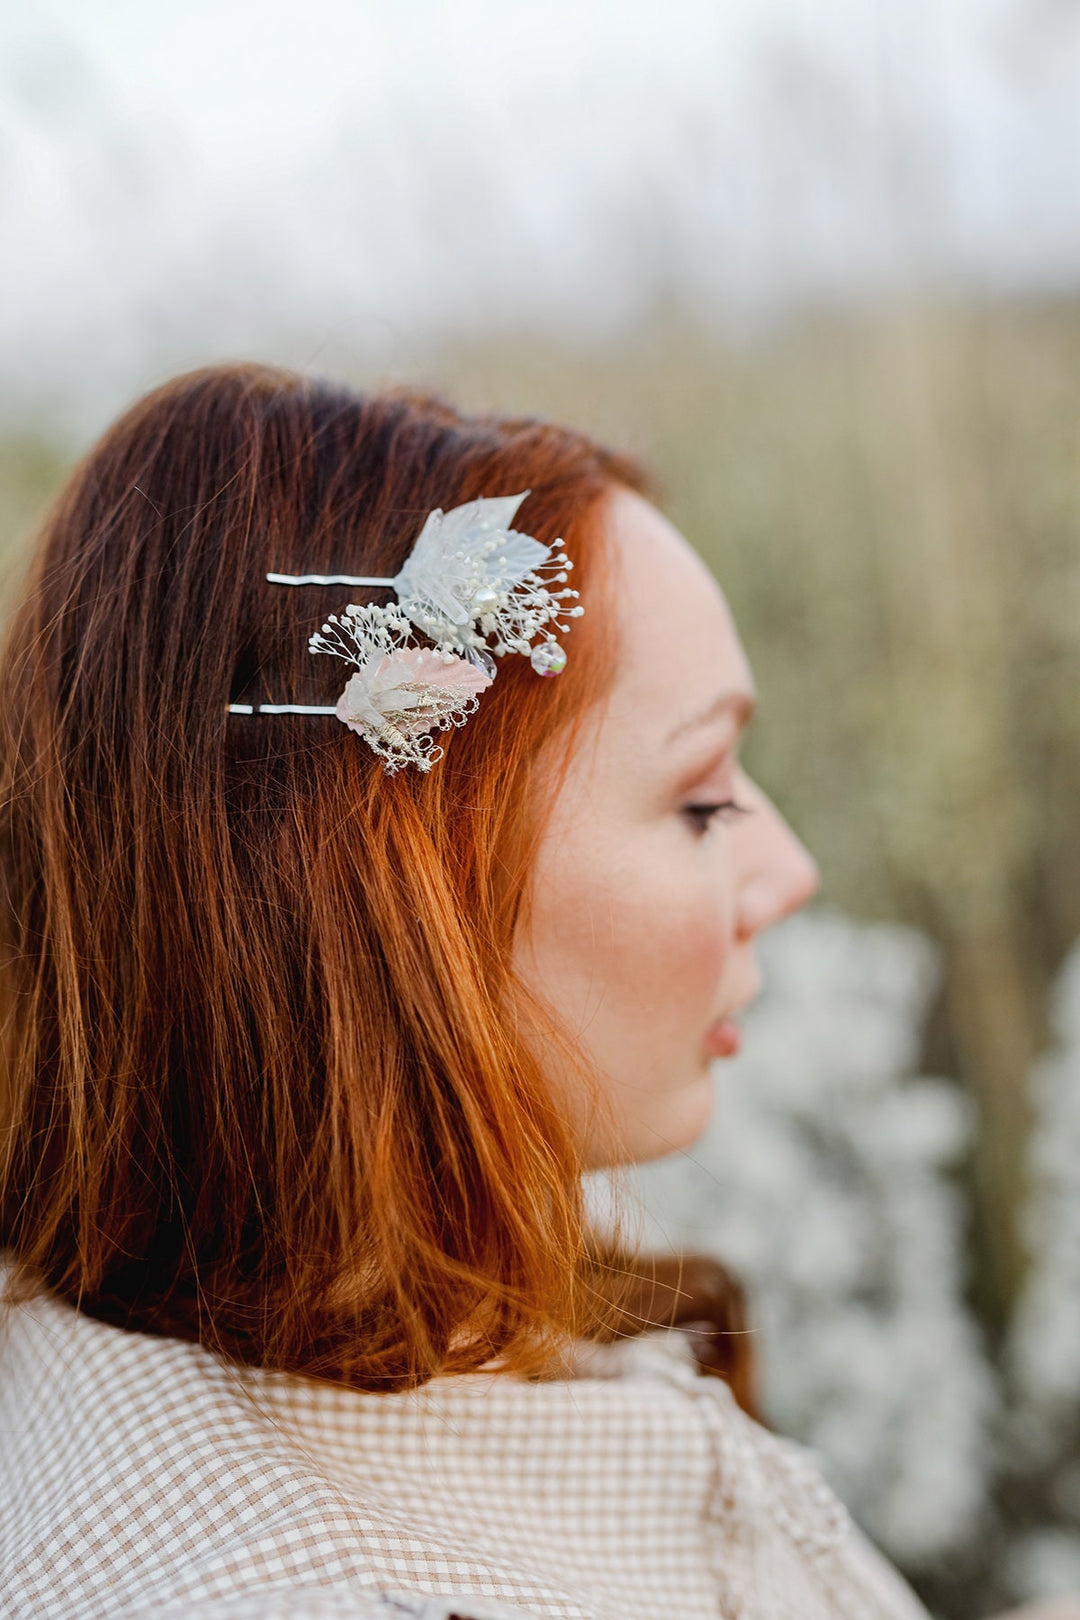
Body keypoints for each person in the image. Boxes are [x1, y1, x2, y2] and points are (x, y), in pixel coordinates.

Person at [0, 364, 1059, 1620]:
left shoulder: (458, 1338)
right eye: (703, 795)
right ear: (390, 899)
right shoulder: (292, 1586)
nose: (788, 870)